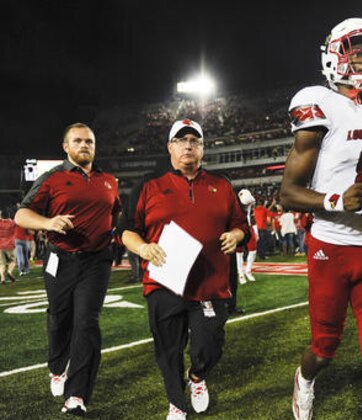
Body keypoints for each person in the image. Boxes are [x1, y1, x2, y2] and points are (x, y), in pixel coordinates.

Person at [279, 18, 362, 420]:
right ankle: (305, 378)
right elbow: (288, 193)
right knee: (324, 349)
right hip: (330, 248)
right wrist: (336, 199)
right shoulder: (318, 103)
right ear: (336, 55)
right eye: (357, 51)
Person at [121, 118, 247, 420]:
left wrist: (236, 235)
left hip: (210, 283)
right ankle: (177, 404)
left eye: (195, 140)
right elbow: (126, 230)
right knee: (168, 349)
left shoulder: (222, 185)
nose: (188, 145)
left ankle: (197, 377)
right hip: (164, 282)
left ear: (202, 148)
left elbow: (241, 225)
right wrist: (142, 248)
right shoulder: (148, 185)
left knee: (210, 345)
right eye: (181, 140)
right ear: (170, 147)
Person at [15, 123, 122, 416]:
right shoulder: (52, 178)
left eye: (89, 141)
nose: (84, 145)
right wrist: (48, 223)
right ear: (66, 146)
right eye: (78, 141)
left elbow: (115, 213)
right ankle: (56, 367)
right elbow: (22, 213)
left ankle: (76, 395)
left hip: (97, 261)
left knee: (87, 323)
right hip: (60, 259)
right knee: (59, 318)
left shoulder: (110, 181)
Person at [236, 189, 258, 283]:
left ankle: (248, 271)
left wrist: (256, 231)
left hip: (248, 227)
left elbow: (252, 216)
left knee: (253, 250)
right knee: (239, 253)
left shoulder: (251, 201)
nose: (246, 205)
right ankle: (241, 274)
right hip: (238, 228)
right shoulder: (233, 204)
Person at [0, 210, 17, 284]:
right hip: (10, 244)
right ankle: (9, 272)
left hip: (0, 245)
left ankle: (2, 279)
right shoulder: (12, 223)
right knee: (12, 261)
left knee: (2, 263)